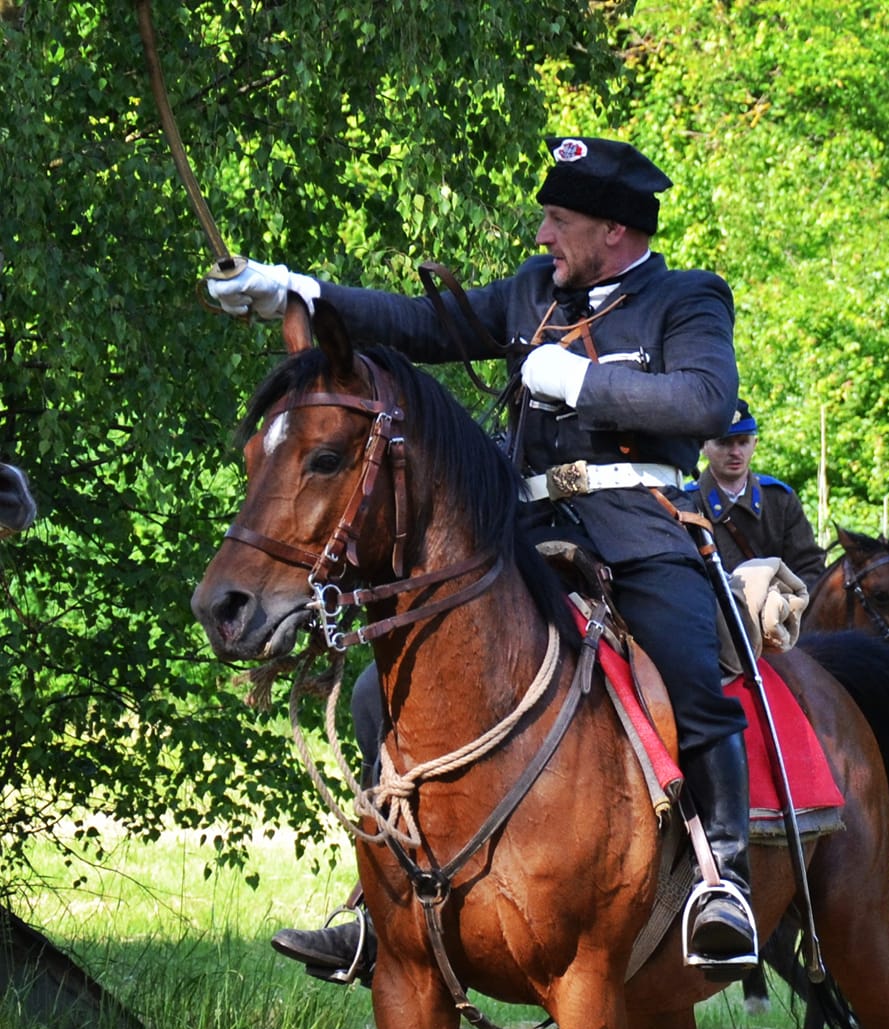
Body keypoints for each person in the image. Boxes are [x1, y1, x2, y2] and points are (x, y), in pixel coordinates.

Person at [209, 135, 760, 978]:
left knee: (688, 669)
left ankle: (723, 879)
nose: (542, 234)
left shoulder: (686, 300)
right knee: (374, 692)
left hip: (638, 528)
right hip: (521, 534)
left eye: (558, 219)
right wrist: (298, 288)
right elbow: (416, 322)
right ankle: (378, 902)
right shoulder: (532, 295)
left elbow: (705, 398)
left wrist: (578, 383)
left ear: (614, 231)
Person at [685, 399, 830, 593]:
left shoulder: (779, 499)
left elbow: (809, 566)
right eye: (724, 443)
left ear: (755, 444)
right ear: (703, 447)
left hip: (778, 615)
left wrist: (789, 604)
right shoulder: (687, 504)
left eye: (743, 442)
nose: (735, 452)